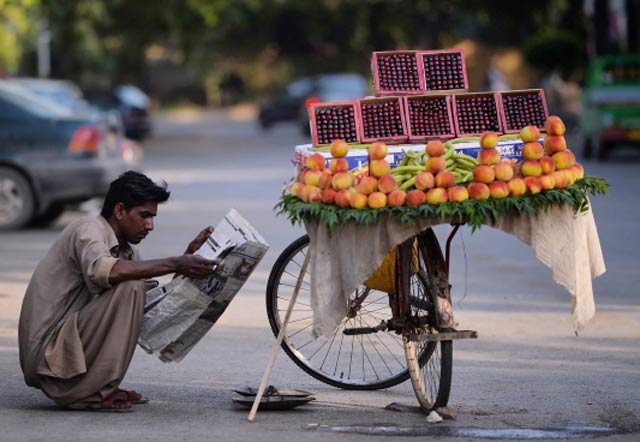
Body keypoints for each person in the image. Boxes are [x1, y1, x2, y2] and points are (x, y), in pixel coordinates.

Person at [18, 171, 217, 412]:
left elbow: (148, 311)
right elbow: (105, 271)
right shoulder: (89, 228)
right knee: (131, 285)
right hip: (48, 358)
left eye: (153, 218)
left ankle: (95, 387)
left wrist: (188, 262)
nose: (150, 226)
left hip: (66, 351)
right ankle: (88, 393)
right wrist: (175, 262)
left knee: (134, 288)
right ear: (120, 210)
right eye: (144, 216)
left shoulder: (127, 253)